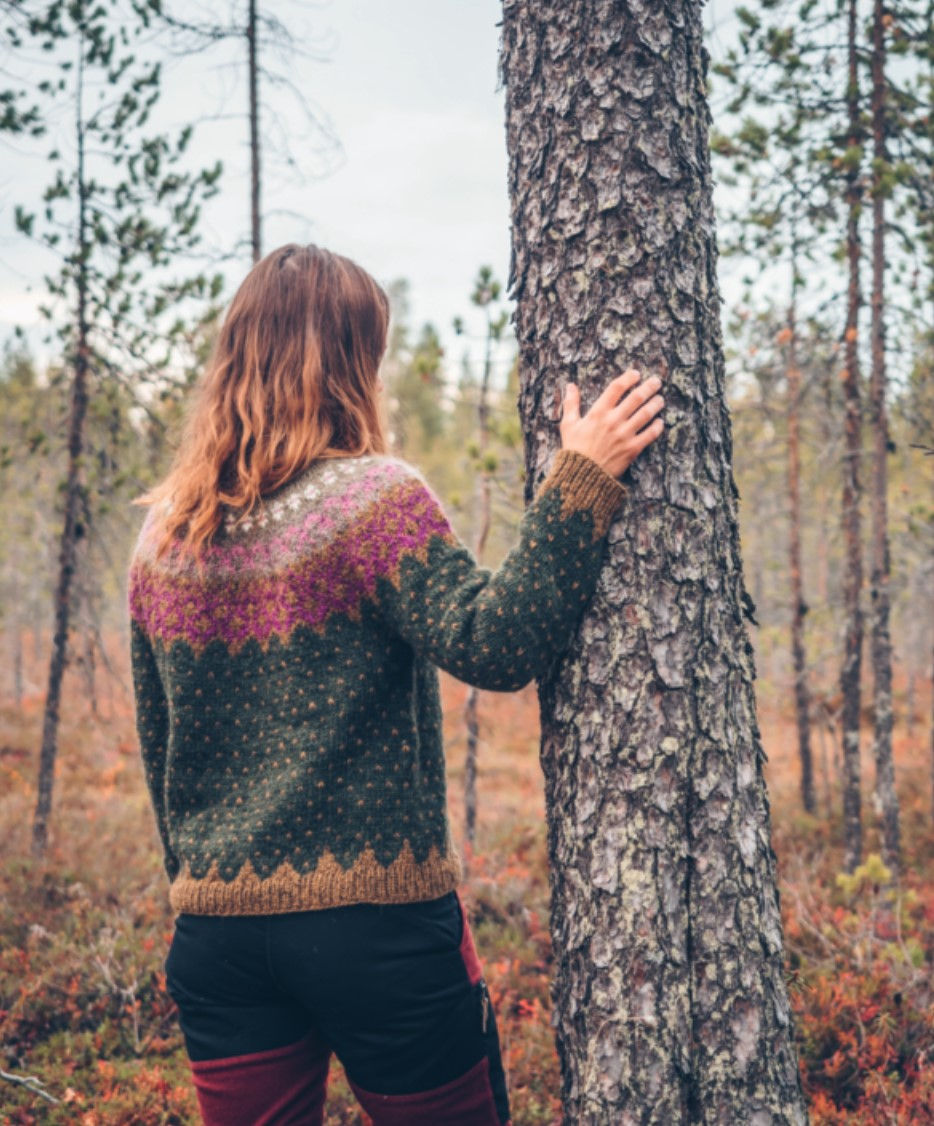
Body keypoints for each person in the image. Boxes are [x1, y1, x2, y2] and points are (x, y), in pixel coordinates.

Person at [127, 242, 664, 1126]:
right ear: (350, 362)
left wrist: (207, 889)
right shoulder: (372, 499)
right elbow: (497, 644)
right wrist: (583, 480)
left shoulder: (163, 540)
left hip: (215, 936)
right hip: (375, 930)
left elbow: (160, 752)